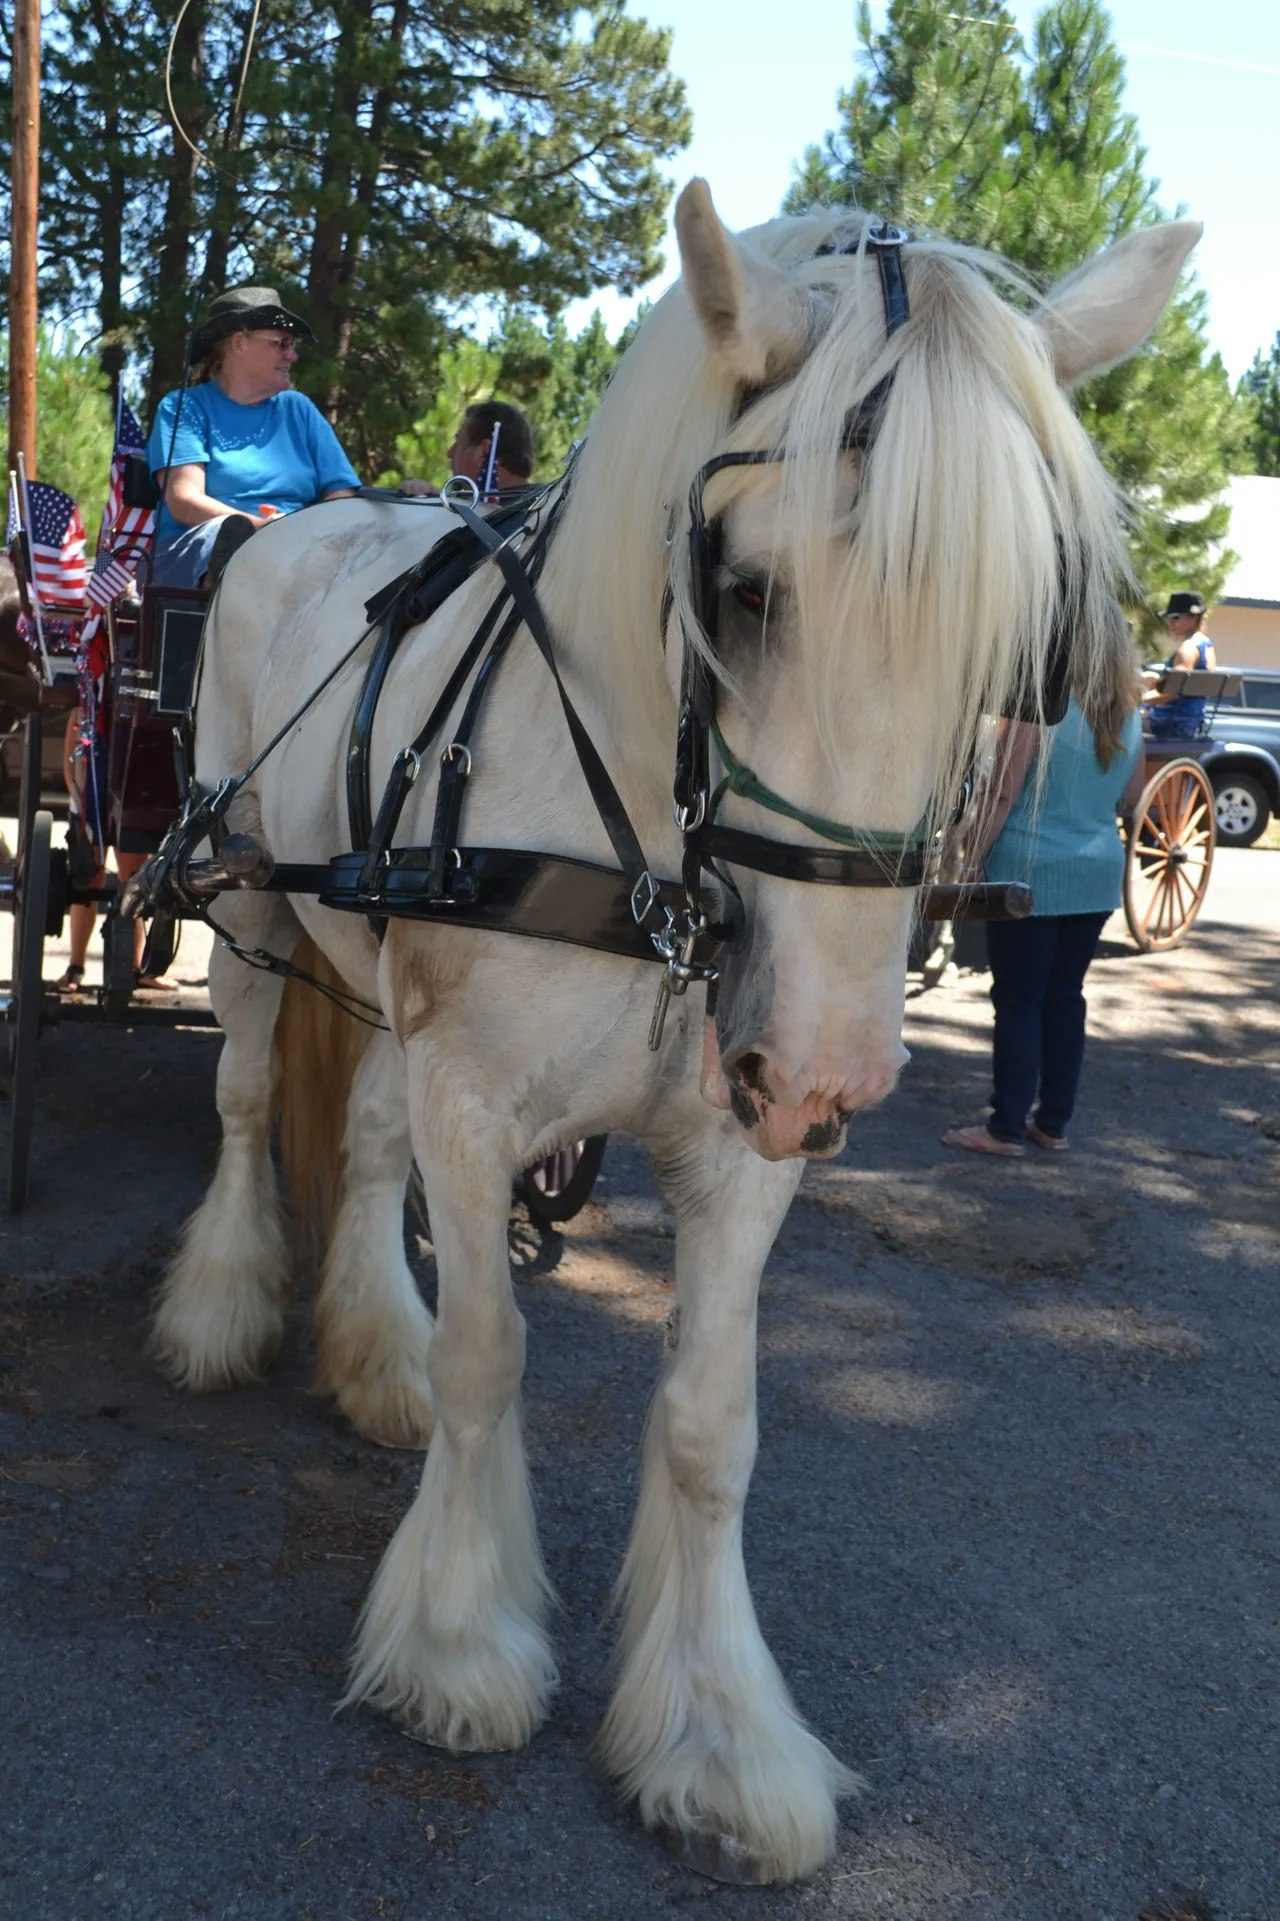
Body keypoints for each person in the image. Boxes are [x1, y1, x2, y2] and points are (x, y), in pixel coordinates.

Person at [941, 627, 1147, 1157]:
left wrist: (974, 857)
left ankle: (1005, 1126)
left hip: (1028, 872)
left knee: (1018, 1001)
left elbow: (1004, 789)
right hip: (1096, 874)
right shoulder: (1128, 715)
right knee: (1064, 998)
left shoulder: (1042, 708)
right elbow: (1132, 796)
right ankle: (1052, 1123)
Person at [147, 285, 360, 589]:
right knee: (226, 538)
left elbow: (341, 495)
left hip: (297, 551)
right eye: (282, 343)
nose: (293, 355)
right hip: (196, 557)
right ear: (238, 343)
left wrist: (309, 533)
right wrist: (260, 529)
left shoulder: (298, 409)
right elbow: (183, 500)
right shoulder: (185, 407)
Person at [397, 400, 536, 499]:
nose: (450, 453)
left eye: (458, 442)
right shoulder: (546, 511)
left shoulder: (531, 518)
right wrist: (422, 502)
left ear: (484, 452)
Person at [1142, 590, 1217, 740]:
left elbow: (1172, 692)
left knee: (1113, 720)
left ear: (1194, 617)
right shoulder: (1206, 645)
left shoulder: (1187, 648)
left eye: (1175, 617)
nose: (1171, 623)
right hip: (1191, 723)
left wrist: (1136, 699)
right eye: (1169, 618)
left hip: (1169, 724)